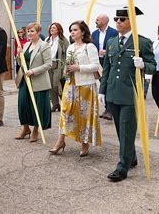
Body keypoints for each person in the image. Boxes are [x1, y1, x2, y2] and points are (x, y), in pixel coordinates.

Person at [98, 7, 156, 182]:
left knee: (126, 129)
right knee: (120, 130)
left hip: (130, 93)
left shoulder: (142, 42)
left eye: (122, 19)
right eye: (116, 19)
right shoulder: (112, 42)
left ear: (131, 21)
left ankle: (122, 167)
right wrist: (102, 90)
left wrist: (143, 65)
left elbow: (153, 65)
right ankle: (132, 157)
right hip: (113, 92)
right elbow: (107, 68)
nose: (118, 22)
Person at [50, 21, 101, 156]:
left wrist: (78, 67)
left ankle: (85, 143)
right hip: (71, 84)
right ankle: (60, 141)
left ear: (83, 32)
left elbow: (95, 66)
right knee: (65, 112)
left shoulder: (89, 47)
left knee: (84, 115)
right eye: (71, 30)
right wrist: (67, 70)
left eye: (75, 30)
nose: (72, 32)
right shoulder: (71, 47)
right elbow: (68, 64)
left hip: (86, 85)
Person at [15, 22, 52, 143]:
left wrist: (34, 71)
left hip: (38, 81)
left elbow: (48, 64)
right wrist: (18, 55)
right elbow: (21, 64)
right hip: (25, 80)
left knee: (37, 105)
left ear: (38, 32)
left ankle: (36, 129)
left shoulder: (44, 46)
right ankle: (25, 128)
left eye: (32, 31)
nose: (29, 34)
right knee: (23, 104)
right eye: (28, 31)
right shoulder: (25, 45)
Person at [92, 14, 118, 120]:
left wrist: (107, 52)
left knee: (109, 84)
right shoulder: (94, 33)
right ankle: (108, 109)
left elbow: (117, 47)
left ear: (103, 21)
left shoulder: (114, 32)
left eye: (97, 20)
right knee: (103, 84)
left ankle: (110, 110)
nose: (95, 21)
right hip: (98, 62)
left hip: (110, 61)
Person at [45, 22, 69, 112]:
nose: (51, 29)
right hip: (48, 65)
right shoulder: (47, 40)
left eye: (54, 28)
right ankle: (55, 104)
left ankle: (64, 103)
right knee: (50, 85)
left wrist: (66, 66)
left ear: (59, 30)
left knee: (56, 85)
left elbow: (68, 53)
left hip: (58, 65)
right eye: (51, 28)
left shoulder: (63, 40)